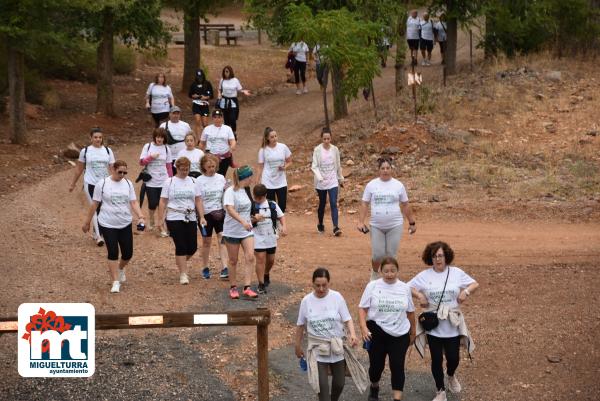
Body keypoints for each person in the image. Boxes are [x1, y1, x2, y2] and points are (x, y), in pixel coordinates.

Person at [408, 241, 479, 401]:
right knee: (436, 359)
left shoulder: (456, 272)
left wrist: (465, 292)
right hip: (434, 324)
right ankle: (440, 391)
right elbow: (407, 287)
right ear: (430, 258)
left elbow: (475, 284)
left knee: (454, 358)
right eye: (434, 256)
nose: (438, 259)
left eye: (440, 255)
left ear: (446, 256)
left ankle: (451, 375)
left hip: (452, 323)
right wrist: (420, 295)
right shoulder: (424, 275)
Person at [295, 268, 366, 401]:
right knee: (322, 388)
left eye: (324, 285)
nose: (321, 289)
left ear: (329, 283)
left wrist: (353, 334)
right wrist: (297, 346)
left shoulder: (336, 297)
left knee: (339, 383)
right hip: (318, 349)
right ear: (312, 283)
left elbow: (347, 318)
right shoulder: (306, 301)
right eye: (317, 285)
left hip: (336, 347)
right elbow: (300, 326)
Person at [358, 257, 416, 401]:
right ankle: (374, 386)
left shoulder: (405, 288)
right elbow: (362, 308)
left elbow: (410, 311)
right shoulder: (372, 286)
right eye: (386, 271)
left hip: (400, 333)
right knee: (376, 366)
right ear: (380, 271)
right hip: (376, 332)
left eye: (393, 271)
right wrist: (363, 328)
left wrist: (413, 332)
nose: (390, 274)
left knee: (397, 366)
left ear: (398, 270)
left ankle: (397, 398)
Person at [82, 160, 144, 294]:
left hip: (125, 223)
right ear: (112, 170)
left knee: (128, 253)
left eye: (124, 172)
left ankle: (121, 268)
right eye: (119, 172)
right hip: (107, 223)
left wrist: (140, 216)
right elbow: (94, 204)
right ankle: (115, 281)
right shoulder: (102, 184)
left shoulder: (128, 184)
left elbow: (133, 202)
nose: (122, 175)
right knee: (113, 252)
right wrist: (87, 222)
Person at [357, 157, 416, 281]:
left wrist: (412, 222)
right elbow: (364, 203)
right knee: (378, 255)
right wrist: (361, 222)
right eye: (382, 168)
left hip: (395, 224)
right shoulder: (371, 185)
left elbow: (405, 204)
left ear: (391, 169)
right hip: (376, 225)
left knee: (391, 254)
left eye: (388, 168)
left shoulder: (398, 185)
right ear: (379, 170)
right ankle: (374, 272)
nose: (385, 171)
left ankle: (390, 277)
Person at [157, 157, 205, 285]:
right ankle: (183, 273)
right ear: (176, 168)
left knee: (192, 247)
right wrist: (160, 218)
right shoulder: (170, 182)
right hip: (174, 216)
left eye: (187, 169)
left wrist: (202, 216)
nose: (184, 172)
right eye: (182, 169)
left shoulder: (194, 182)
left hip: (190, 216)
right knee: (181, 245)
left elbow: (198, 200)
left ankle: (181, 260)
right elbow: (163, 201)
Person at [69, 127, 116, 246]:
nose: (98, 139)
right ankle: (99, 237)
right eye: (95, 137)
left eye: (100, 137)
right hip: (90, 183)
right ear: (91, 138)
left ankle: (96, 232)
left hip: (104, 183)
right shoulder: (85, 151)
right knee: (94, 207)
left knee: (102, 208)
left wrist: (116, 182)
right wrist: (73, 183)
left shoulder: (107, 151)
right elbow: (79, 168)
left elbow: (112, 168)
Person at [222, 166, 258, 299]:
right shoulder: (230, 191)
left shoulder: (246, 190)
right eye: (250, 176)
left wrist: (251, 219)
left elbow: (248, 208)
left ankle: (247, 287)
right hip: (232, 231)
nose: (252, 179)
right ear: (245, 177)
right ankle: (233, 287)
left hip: (246, 231)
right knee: (233, 260)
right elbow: (230, 210)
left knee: (250, 257)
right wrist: (242, 221)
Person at [195, 154, 229, 280]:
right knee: (207, 242)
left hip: (219, 212)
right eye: (209, 166)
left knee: (222, 238)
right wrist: (201, 216)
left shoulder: (221, 178)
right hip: (206, 214)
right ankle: (205, 267)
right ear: (203, 167)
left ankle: (225, 267)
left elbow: (225, 195)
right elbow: (198, 200)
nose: (212, 169)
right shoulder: (199, 180)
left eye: (213, 166)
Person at [251, 184, 287, 294]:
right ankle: (261, 284)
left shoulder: (272, 204)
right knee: (260, 259)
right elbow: (247, 222)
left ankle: (266, 273)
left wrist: (284, 226)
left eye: (260, 198)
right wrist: (254, 220)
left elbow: (281, 216)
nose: (258, 200)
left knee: (270, 260)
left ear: (265, 195)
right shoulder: (251, 206)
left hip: (270, 236)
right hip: (257, 236)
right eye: (256, 198)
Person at [139, 128, 173, 237]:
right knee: (152, 203)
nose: (159, 139)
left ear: (164, 138)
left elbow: (169, 166)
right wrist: (151, 157)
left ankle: (161, 224)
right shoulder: (148, 146)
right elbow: (141, 162)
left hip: (164, 180)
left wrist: (171, 180)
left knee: (163, 204)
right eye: (158, 137)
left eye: (162, 137)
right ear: (155, 137)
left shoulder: (167, 149)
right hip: (151, 180)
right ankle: (152, 219)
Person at [311, 127, 344, 236]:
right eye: (324, 139)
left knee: (334, 203)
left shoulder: (335, 149)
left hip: (332, 180)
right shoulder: (317, 150)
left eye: (328, 139)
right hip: (321, 181)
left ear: (331, 138)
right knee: (322, 203)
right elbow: (314, 166)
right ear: (322, 139)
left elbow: (338, 165)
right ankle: (320, 223)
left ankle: (335, 227)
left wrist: (340, 178)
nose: (326, 141)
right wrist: (319, 177)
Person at [257, 127, 292, 213]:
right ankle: (274, 225)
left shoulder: (283, 147)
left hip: (281, 181)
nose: (274, 138)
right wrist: (257, 179)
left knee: (282, 206)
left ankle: (280, 223)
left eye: (275, 136)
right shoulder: (263, 150)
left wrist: (285, 167)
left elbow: (290, 161)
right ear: (267, 138)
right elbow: (260, 166)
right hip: (268, 181)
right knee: (271, 206)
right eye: (272, 137)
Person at [215, 65, 251, 138]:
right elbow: (219, 89)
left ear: (230, 72)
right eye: (225, 72)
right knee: (226, 119)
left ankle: (234, 132)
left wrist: (244, 92)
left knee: (233, 118)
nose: (226, 73)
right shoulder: (222, 80)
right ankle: (227, 135)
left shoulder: (235, 80)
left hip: (233, 101)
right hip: (224, 101)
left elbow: (239, 89)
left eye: (227, 71)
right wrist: (219, 96)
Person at [199, 109, 236, 177]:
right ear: (212, 118)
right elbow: (202, 143)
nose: (217, 119)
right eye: (215, 117)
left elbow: (232, 141)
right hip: (211, 157)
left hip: (225, 156)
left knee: (222, 175)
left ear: (222, 118)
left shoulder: (227, 129)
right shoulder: (207, 129)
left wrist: (232, 147)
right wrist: (201, 153)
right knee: (211, 174)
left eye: (219, 117)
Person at [159, 106, 191, 174]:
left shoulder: (185, 125)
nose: (176, 115)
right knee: (170, 176)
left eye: (177, 113)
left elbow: (190, 138)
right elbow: (159, 140)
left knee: (183, 174)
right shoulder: (163, 126)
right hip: (168, 157)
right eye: (174, 113)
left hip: (183, 156)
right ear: (169, 114)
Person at [188, 68, 214, 136]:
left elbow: (211, 95)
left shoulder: (207, 83)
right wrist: (195, 96)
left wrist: (205, 97)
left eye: (201, 77)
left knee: (205, 123)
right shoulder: (193, 84)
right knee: (197, 120)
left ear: (203, 76)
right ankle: (198, 139)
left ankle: (205, 137)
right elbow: (190, 95)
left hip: (205, 105)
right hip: (196, 105)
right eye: (198, 77)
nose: (200, 78)